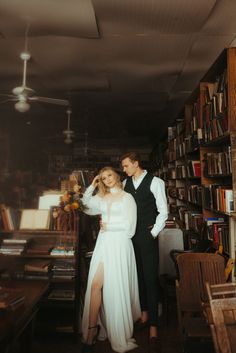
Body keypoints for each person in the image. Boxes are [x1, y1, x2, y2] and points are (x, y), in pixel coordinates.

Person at [81, 166, 141, 353]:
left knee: (115, 287)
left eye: (109, 175)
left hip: (120, 245)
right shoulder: (102, 198)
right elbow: (85, 206)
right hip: (104, 243)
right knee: (94, 285)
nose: (106, 179)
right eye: (102, 177)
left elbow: (130, 228)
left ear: (116, 175)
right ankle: (91, 330)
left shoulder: (127, 198)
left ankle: (101, 333)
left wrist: (109, 225)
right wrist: (92, 186)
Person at [121, 152, 168, 353]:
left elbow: (163, 211)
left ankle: (154, 328)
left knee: (150, 278)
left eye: (126, 166)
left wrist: (153, 233)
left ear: (136, 163)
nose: (124, 170)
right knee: (137, 277)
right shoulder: (125, 184)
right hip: (129, 237)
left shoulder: (156, 182)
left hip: (147, 236)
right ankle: (145, 315)